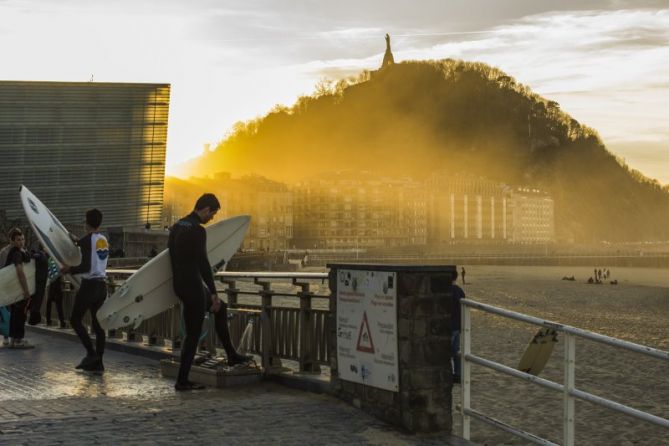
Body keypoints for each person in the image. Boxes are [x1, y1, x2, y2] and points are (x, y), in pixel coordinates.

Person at [169, 193, 252, 391]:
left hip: (180, 283)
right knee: (193, 334)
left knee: (220, 309)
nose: (212, 218)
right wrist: (213, 292)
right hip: (193, 286)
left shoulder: (178, 226)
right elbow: (203, 263)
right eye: (212, 214)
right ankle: (182, 381)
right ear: (205, 209)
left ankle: (231, 356)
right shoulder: (198, 230)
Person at [61, 209, 109, 373]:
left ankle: (91, 353)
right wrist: (76, 241)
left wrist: (69, 270)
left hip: (89, 286)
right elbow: (87, 246)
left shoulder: (88, 240)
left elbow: (86, 266)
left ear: (86, 222)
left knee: (75, 319)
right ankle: (99, 363)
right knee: (98, 324)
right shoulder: (103, 239)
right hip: (102, 286)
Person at [5, 228, 33, 349]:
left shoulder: (18, 251)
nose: (21, 242)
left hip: (13, 288)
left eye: (22, 239)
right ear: (12, 241)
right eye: (18, 240)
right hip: (19, 288)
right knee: (20, 314)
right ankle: (18, 340)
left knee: (16, 314)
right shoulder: (16, 253)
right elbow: (19, 271)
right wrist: (26, 290)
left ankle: (13, 339)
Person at [450, 269, 466, 384]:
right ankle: (458, 374)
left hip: (450, 325)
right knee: (456, 351)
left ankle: (451, 373)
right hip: (457, 325)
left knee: (447, 351)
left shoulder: (447, 291)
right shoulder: (459, 291)